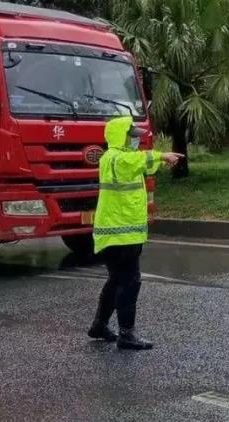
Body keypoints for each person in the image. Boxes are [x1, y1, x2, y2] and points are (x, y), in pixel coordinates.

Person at [87, 115, 183, 350]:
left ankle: (99, 325)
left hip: (119, 233)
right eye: (132, 137)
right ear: (121, 137)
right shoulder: (115, 159)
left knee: (117, 279)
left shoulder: (120, 159)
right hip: (120, 234)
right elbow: (138, 161)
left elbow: (142, 162)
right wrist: (162, 155)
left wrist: (160, 161)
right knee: (130, 282)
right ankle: (126, 334)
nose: (136, 142)